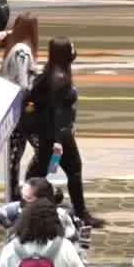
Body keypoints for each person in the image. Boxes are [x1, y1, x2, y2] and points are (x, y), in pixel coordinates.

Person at [26, 37, 103, 228]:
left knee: (40, 172)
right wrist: (58, 141)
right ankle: (78, 213)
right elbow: (57, 113)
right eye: (70, 49)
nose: (73, 51)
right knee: (71, 169)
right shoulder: (58, 79)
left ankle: (31, 209)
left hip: (52, 134)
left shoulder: (53, 72)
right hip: (57, 135)